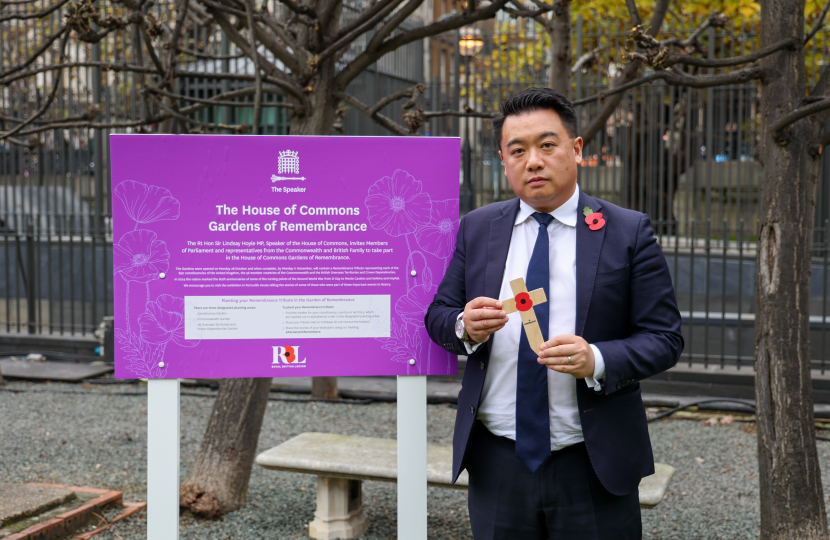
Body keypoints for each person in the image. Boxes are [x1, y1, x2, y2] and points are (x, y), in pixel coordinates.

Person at [425, 87, 683, 540]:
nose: (534, 161)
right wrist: (465, 326)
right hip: (497, 459)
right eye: (517, 150)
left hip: (591, 459)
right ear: (503, 160)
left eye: (547, 145)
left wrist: (597, 360)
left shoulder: (627, 231)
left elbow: (664, 338)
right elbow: (438, 315)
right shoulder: (479, 227)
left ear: (576, 149)